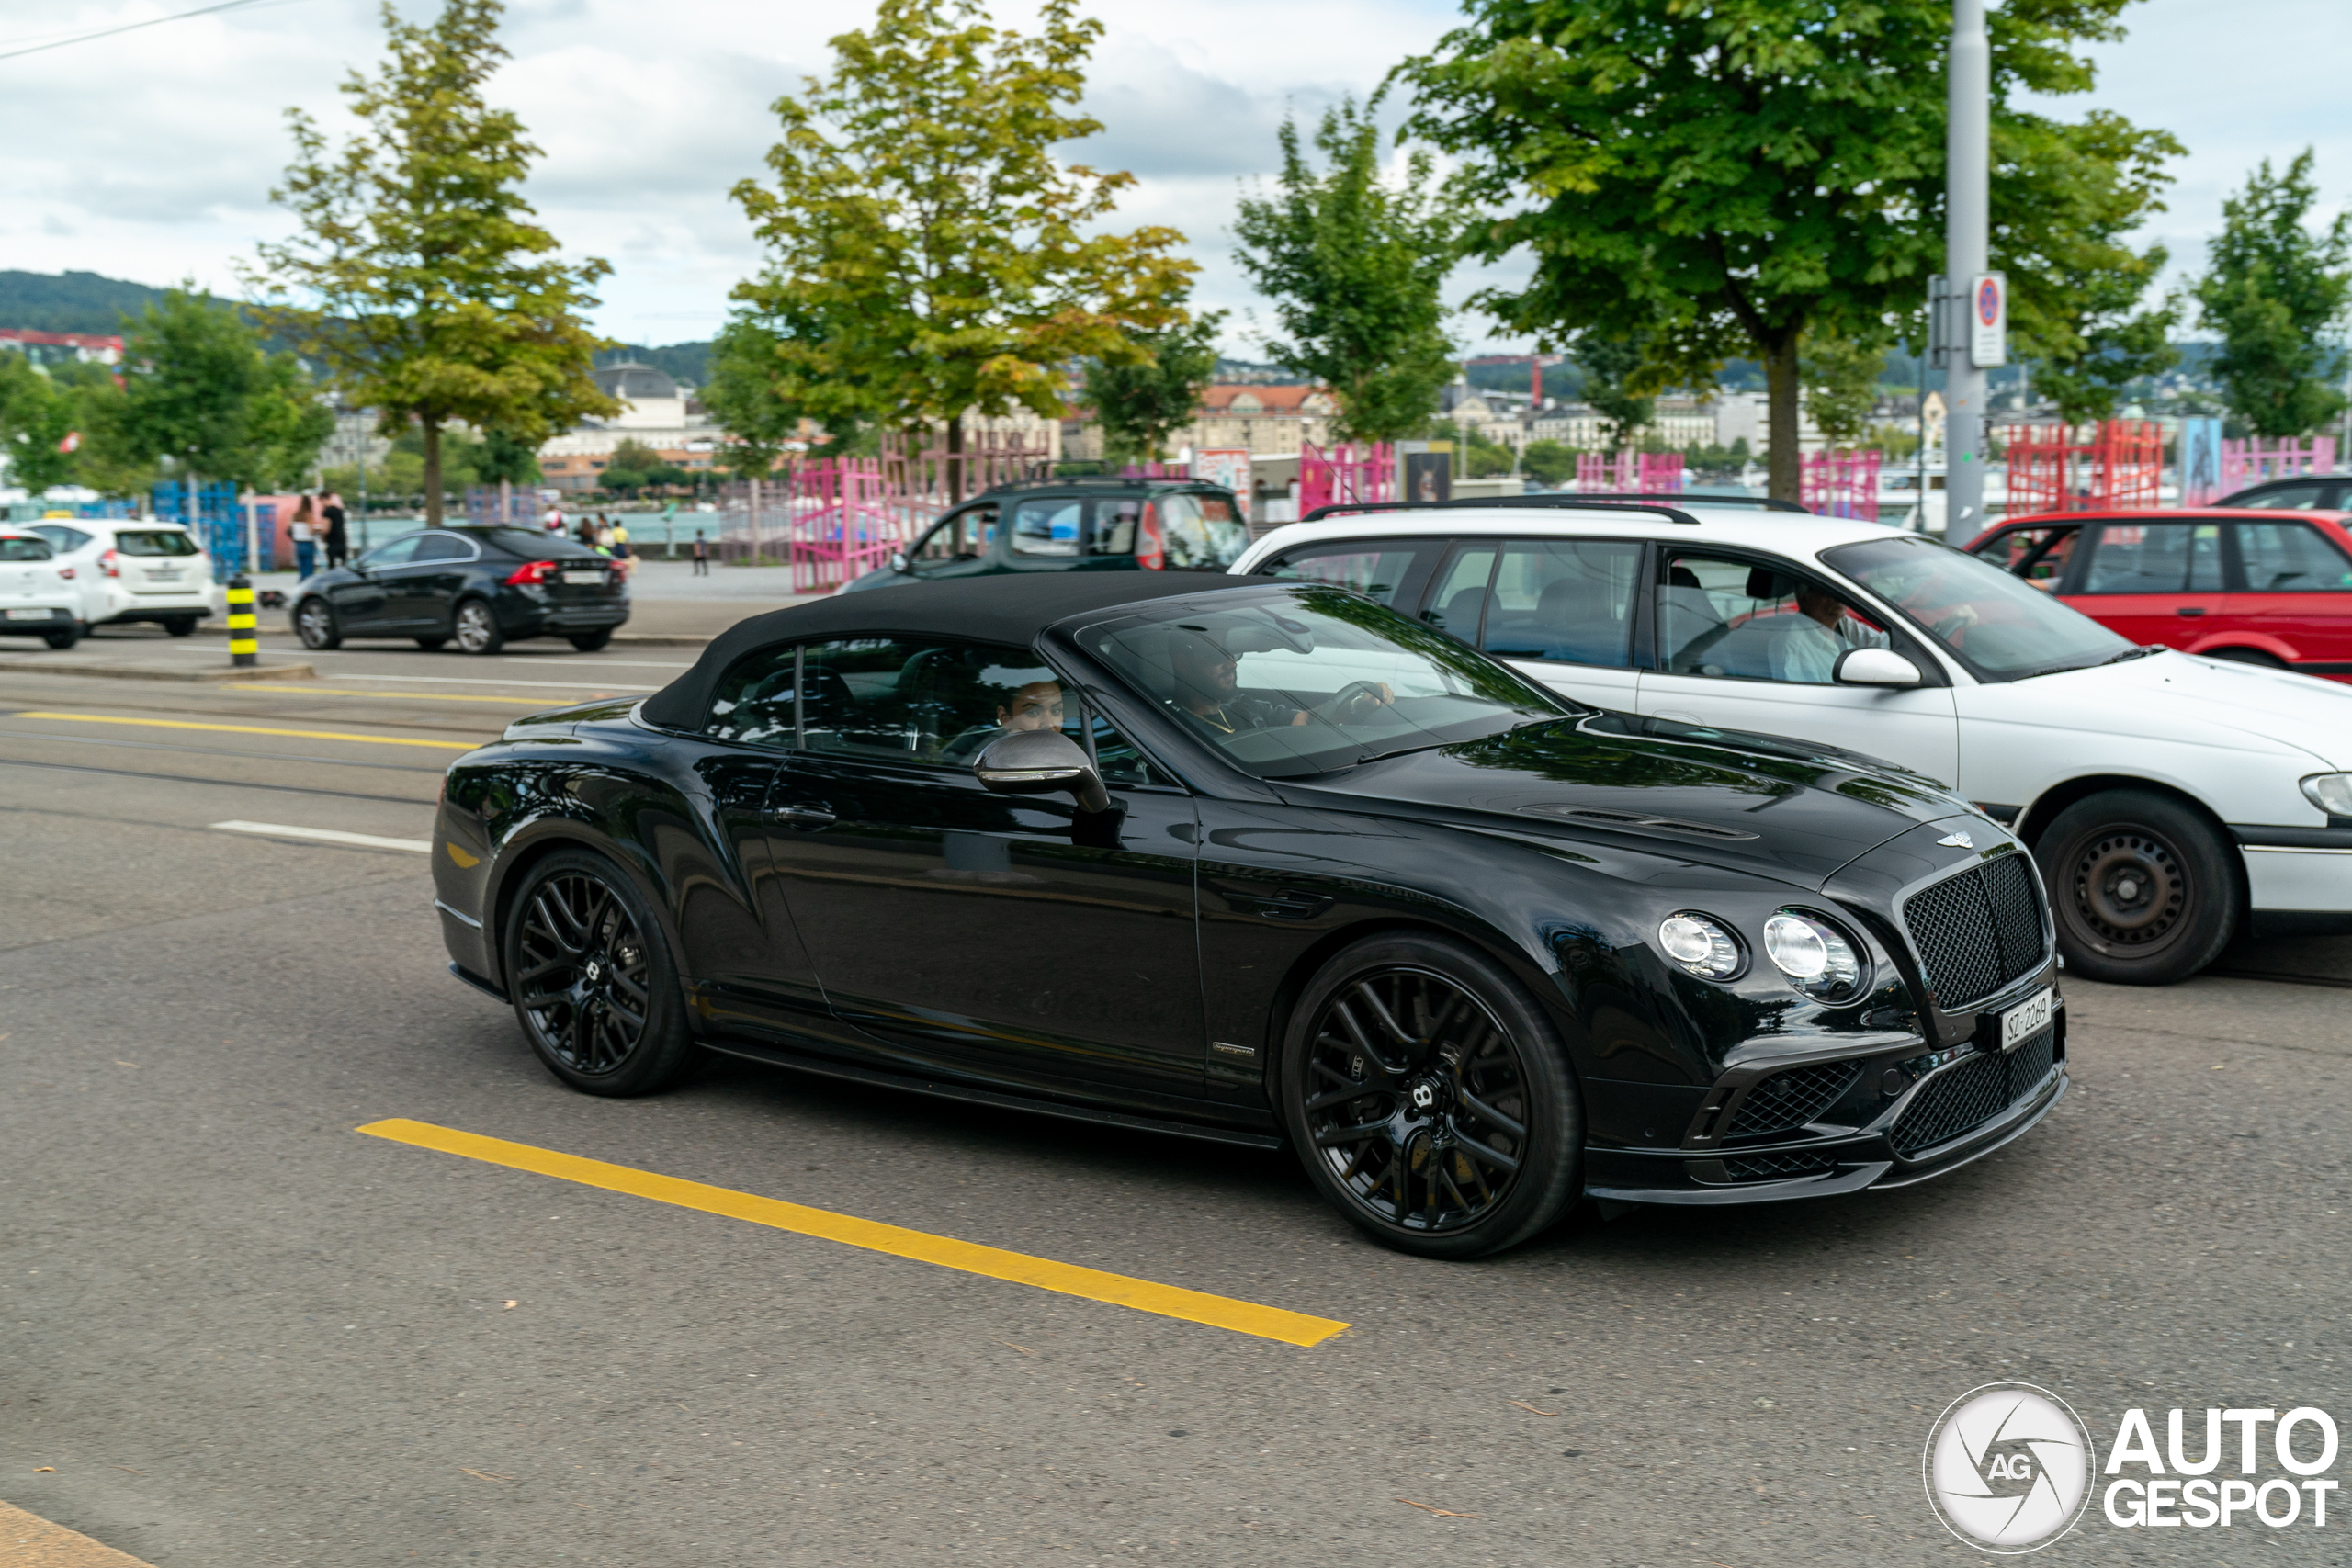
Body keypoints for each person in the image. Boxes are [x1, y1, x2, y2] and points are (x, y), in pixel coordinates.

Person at [1770, 581, 1893, 683]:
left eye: (1841, 590)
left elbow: (1885, 644)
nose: (1838, 597)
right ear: (1803, 597)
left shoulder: (1843, 625)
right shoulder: (1793, 647)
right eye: (1827, 591)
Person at [288, 494, 318, 579]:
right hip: (307, 543)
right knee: (309, 568)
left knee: (301, 568)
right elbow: (310, 531)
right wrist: (317, 530)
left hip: (298, 543)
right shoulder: (309, 515)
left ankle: (301, 586)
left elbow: (290, 528)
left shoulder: (295, 515)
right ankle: (308, 587)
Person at [320, 491, 348, 569]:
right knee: (344, 566)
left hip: (332, 542)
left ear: (324, 499)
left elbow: (326, 528)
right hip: (342, 541)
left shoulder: (327, 511)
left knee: (332, 567)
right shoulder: (339, 510)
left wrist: (322, 537)